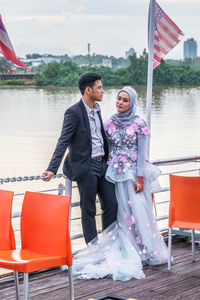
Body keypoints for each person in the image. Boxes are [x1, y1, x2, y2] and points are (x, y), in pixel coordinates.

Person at [73, 86, 168, 281]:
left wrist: (140, 177)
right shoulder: (109, 123)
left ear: (131, 103)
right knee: (120, 212)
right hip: (113, 173)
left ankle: (145, 250)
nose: (120, 103)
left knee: (138, 211)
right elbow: (101, 145)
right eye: (118, 99)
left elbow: (142, 154)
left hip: (133, 174)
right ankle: (126, 248)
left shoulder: (139, 123)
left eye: (125, 100)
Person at [43, 72, 118, 244]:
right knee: (88, 209)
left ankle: (109, 245)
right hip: (87, 166)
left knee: (112, 204)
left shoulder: (97, 110)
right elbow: (63, 141)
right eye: (99, 87)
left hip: (103, 164)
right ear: (88, 90)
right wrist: (52, 168)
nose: (102, 91)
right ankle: (94, 250)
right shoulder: (73, 113)